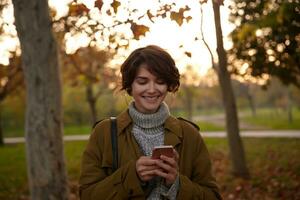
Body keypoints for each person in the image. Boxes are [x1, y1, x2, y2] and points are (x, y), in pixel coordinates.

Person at [79, 45, 222, 199]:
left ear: (168, 85)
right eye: (142, 82)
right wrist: (132, 176)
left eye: (160, 82)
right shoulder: (104, 132)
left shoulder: (189, 134)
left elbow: (212, 196)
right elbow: (87, 195)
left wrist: (177, 184)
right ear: (130, 86)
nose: (152, 89)